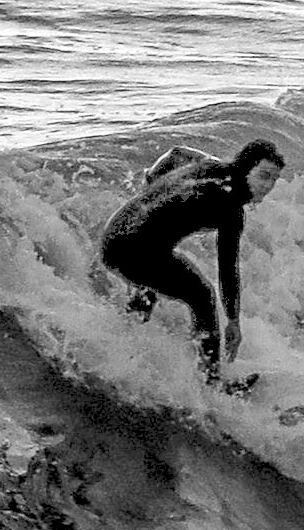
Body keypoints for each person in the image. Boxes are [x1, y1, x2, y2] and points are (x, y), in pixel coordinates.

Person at [97, 138, 286, 388]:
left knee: (150, 285)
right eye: (263, 176)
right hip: (132, 249)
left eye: (274, 179)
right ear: (245, 168)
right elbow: (228, 269)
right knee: (202, 295)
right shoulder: (230, 208)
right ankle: (211, 383)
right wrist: (233, 321)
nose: (268, 186)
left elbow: (175, 153)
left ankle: (119, 347)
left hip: (116, 235)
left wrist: (151, 184)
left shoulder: (210, 166)